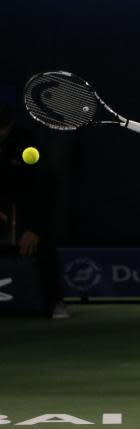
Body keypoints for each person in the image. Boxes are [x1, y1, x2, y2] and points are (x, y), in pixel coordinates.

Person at [0, 101, 68, 319]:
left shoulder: (29, 143)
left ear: (7, 126)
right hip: (4, 204)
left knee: (44, 245)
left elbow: (46, 192)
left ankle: (55, 301)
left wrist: (34, 229)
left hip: (32, 205)